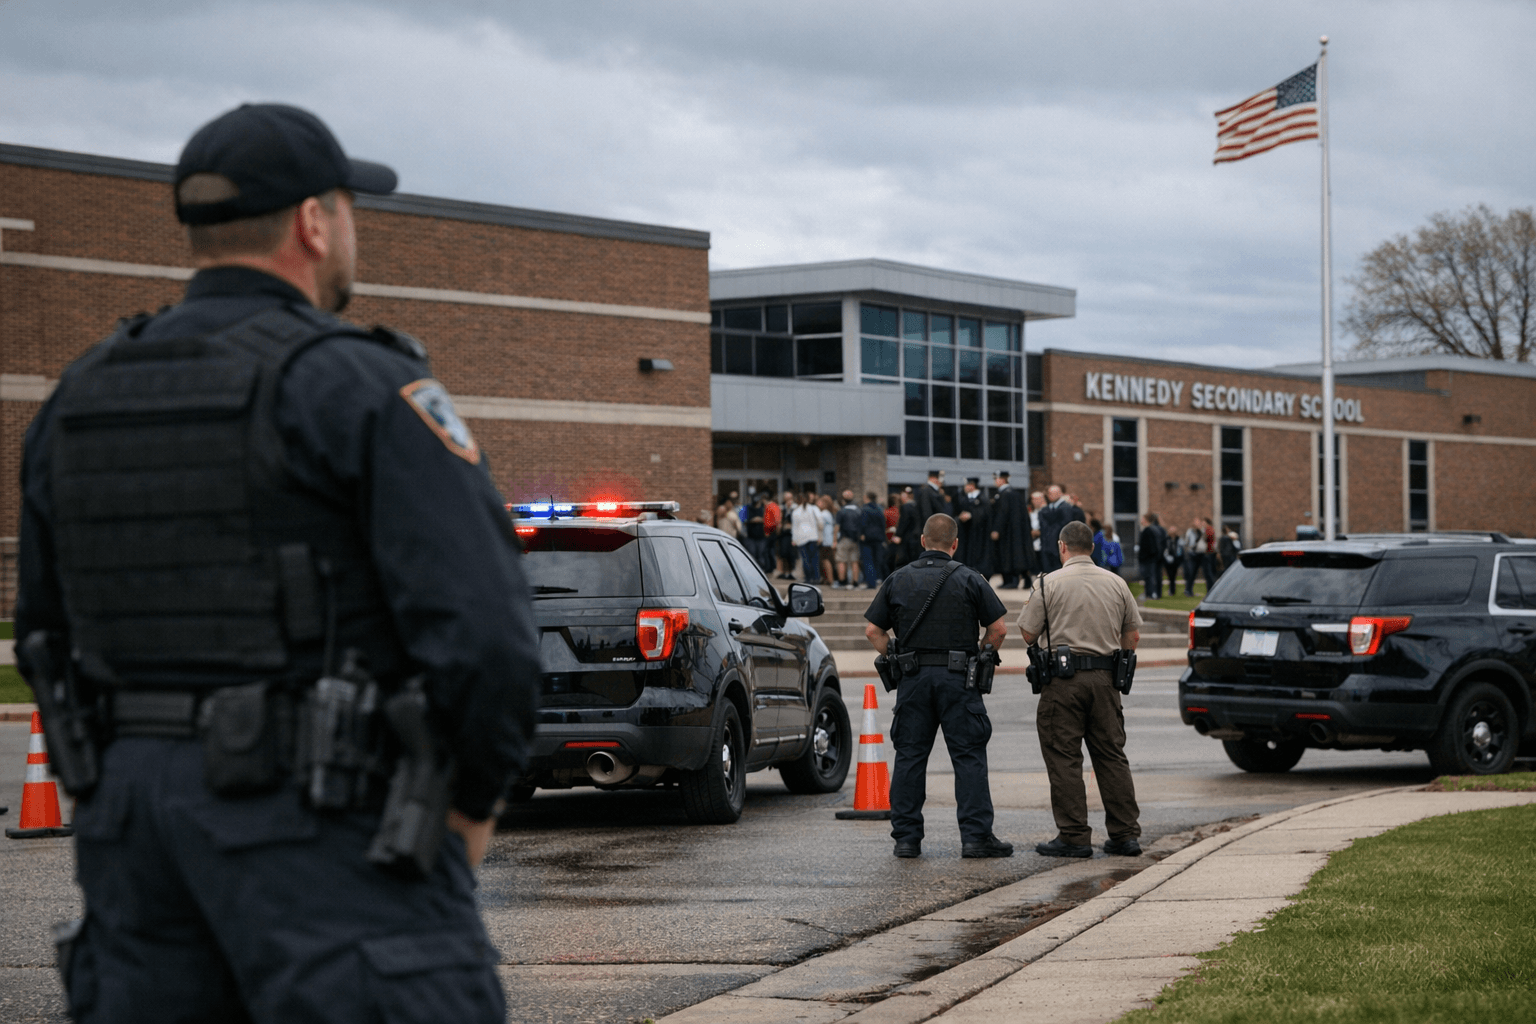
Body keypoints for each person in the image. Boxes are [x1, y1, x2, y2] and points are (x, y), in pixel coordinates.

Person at [12, 103, 539, 1021]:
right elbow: (487, 638)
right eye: (348, 209)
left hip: (134, 857)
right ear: (313, 220)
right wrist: (462, 817)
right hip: (328, 840)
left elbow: (46, 635)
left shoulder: (78, 397)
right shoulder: (361, 386)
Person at [863, 514, 1012, 859]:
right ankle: (976, 838)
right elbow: (999, 629)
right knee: (968, 756)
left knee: (910, 757)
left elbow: (873, 630)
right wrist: (984, 657)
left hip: (913, 680)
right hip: (960, 679)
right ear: (955, 544)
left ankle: (907, 839)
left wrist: (897, 659)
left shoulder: (898, 579)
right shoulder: (970, 578)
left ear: (922, 542)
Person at [1016, 521, 1143, 859]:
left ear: (1062, 547)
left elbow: (1028, 634)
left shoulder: (1047, 583)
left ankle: (1074, 836)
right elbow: (1132, 636)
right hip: (1105, 680)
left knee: (1064, 758)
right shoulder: (1117, 583)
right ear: (1093, 547)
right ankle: (1125, 835)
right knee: (1111, 756)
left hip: (1062, 681)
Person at [988, 471, 1030, 589]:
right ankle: (1017, 580)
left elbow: (1002, 513)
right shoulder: (1013, 493)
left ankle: (1012, 581)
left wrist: (996, 529)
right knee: (1015, 556)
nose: (995, 481)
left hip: (1007, 533)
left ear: (1003, 480)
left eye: (997, 479)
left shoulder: (1005, 494)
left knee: (1008, 556)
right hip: (1015, 532)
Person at [954, 477, 990, 574]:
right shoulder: (964, 498)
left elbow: (985, 513)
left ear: (972, 486)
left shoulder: (982, 498)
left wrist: (971, 515)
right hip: (966, 532)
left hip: (979, 533)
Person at [1036, 485, 1072, 573]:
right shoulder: (1047, 508)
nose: (1050, 496)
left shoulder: (1065, 507)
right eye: (1049, 493)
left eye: (1053, 493)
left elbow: (1065, 525)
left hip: (1058, 543)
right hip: (1047, 544)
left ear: (1059, 494)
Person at [834, 492, 864, 589]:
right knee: (855, 561)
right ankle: (855, 582)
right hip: (855, 539)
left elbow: (837, 527)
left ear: (843, 500)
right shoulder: (858, 510)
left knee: (841, 561)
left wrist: (834, 541)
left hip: (844, 538)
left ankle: (842, 581)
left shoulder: (842, 511)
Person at [791, 493, 822, 583]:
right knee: (814, 559)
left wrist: (794, 540)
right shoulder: (814, 508)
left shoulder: (796, 511)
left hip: (801, 538)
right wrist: (820, 535)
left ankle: (808, 578)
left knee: (805, 559)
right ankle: (816, 577)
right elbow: (820, 522)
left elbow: (794, 527)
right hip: (813, 536)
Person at [859, 491, 888, 589]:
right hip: (878, 537)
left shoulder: (864, 509)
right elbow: (883, 523)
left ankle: (871, 583)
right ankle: (877, 579)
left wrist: (862, 534)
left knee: (868, 560)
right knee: (877, 560)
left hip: (867, 538)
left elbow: (863, 523)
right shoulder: (879, 508)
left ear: (867, 498)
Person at [1138, 512, 1166, 601]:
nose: (1141, 520)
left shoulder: (1148, 530)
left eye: (1142, 518)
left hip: (1148, 558)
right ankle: (1157, 593)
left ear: (1146, 520)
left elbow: (1147, 546)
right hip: (1158, 557)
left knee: (1149, 576)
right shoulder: (1159, 529)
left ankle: (1149, 594)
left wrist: (1143, 556)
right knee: (1157, 576)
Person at [893, 488, 921, 569]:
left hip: (907, 538)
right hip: (916, 537)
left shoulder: (905, 507)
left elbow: (904, 522)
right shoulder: (916, 505)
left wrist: (898, 535)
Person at [816, 494, 837, 588]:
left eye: (820, 502)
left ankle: (830, 579)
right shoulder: (829, 513)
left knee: (825, 560)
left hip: (825, 540)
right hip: (829, 539)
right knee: (827, 559)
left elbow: (819, 526)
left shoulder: (823, 514)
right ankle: (828, 579)